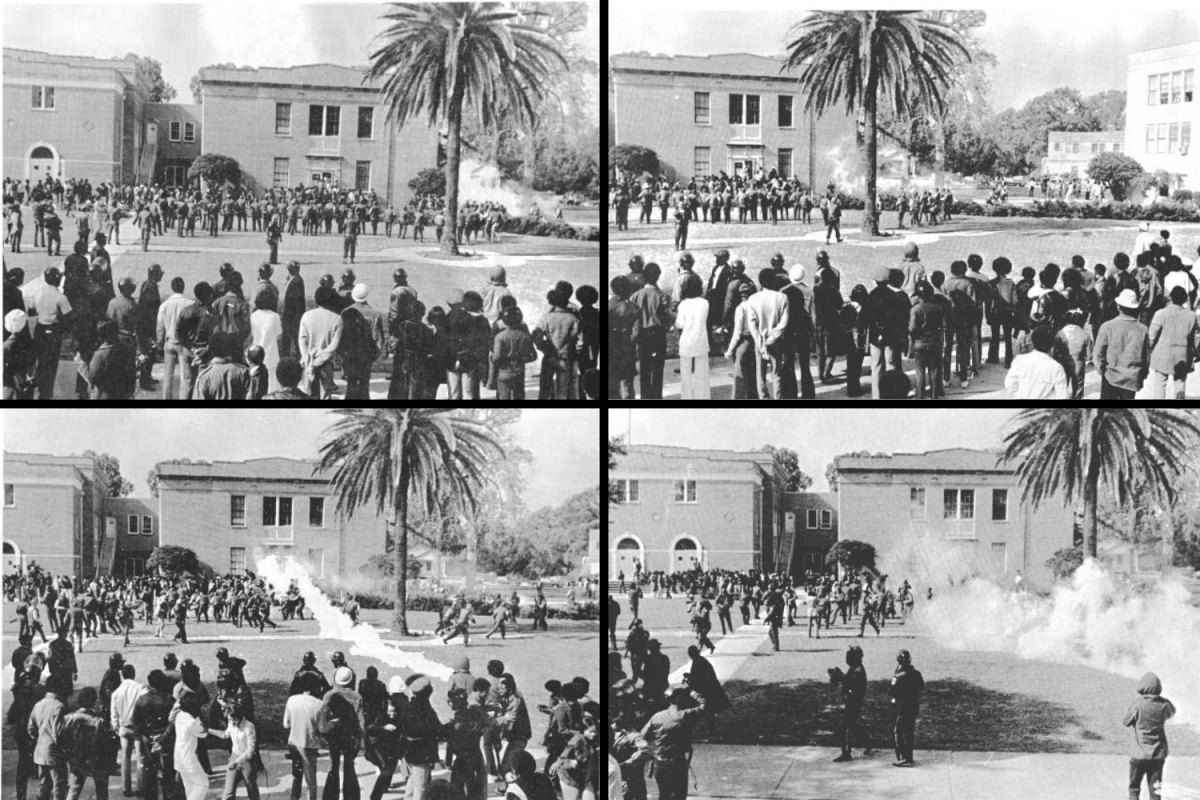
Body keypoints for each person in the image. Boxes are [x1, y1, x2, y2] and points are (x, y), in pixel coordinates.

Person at [641, 685, 707, 800]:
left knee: (664, 796)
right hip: (678, 764)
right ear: (679, 699)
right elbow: (704, 705)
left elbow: (642, 737)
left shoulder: (656, 716)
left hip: (660, 763)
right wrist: (691, 691)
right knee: (679, 796)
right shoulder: (684, 715)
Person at [1123, 672, 1176, 800]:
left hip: (1139, 754)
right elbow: (1172, 712)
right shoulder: (1163, 705)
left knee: (1134, 789)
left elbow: (1126, 721)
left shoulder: (1138, 704)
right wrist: (1163, 699)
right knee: (1155, 791)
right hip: (1158, 755)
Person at [319, 666, 365, 800]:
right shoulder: (356, 696)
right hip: (350, 737)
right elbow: (361, 722)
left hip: (334, 736)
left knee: (333, 767)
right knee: (349, 767)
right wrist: (362, 741)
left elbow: (323, 718)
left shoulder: (329, 695)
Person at [1094, 289, 1149, 400]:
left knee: (1106, 415)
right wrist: (1142, 376)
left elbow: (1098, 353)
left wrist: (1101, 370)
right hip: (1132, 379)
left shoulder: (1107, 326)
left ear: (1118, 306)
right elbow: (1146, 357)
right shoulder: (1143, 329)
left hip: (1111, 377)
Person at [1147, 286, 1197, 400]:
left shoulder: (1160, 313)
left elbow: (1151, 337)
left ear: (1171, 298)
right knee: (1180, 384)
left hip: (1162, 355)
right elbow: (1196, 338)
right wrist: (1197, 353)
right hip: (1183, 355)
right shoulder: (1192, 316)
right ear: (1185, 299)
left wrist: (1147, 351)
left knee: (1160, 384)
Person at [29, 674, 70, 800]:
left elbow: (31, 729)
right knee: (59, 784)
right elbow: (58, 734)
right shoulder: (59, 706)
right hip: (55, 753)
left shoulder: (38, 705)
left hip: (40, 751)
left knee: (43, 784)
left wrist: (39, 738)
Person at [284, 673, 325, 800]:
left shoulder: (291, 700)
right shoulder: (319, 704)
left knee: (297, 775)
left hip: (293, 743)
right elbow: (322, 728)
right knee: (311, 780)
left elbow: (286, 724)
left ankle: (294, 798)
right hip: (310, 745)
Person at [402, 675, 442, 800]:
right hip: (421, 752)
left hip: (410, 751)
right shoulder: (426, 709)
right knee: (421, 787)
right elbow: (436, 729)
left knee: (413, 780)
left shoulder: (410, 706)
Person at [299, 288, 344, 400]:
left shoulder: (306, 316)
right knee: (325, 395)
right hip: (326, 363)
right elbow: (334, 345)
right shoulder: (337, 319)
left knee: (308, 393)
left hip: (308, 362)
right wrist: (318, 361)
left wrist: (308, 360)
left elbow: (302, 340)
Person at [1004, 326, 1069, 399]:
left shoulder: (1019, 360)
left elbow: (1010, 385)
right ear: (1052, 346)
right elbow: (1062, 397)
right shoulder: (1057, 367)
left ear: (1033, 342)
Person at [830, 645, 871, 762]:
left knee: (846, 727)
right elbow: (848, 680)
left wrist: (840, 677)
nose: (847, 659)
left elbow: (850, 683)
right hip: (851, 702)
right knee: (852, 725)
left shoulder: (858, 671)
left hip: (854, 703)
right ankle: (867, 742)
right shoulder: (854, 667)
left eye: (849, 657)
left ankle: (846, 753)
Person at [673, 273, 710, 399]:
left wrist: (675, 319)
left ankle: (686, 397)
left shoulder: (683, 304)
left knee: (686, 374)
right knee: (702, 373)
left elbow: (680, 324)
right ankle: (703, 397)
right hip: (701, 340)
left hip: (687, 341)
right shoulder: (705, 303)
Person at [908, 281, 944, 399]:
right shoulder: (938, 308)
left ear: (919, 295)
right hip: (934, 343)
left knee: (920, 372)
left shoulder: (915, 309)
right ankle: (935, 396)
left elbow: (912, 329)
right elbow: (942, 326)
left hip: (920, 343)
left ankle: (920, 397)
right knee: (934, 370)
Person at [888, 650, 925, 767]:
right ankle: (909, 757)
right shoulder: (916, 674)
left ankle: (903, 758)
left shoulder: (897, 677)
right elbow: (921, 687)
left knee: (898, 732)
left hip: (902, 708)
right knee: (909, 732)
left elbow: (891, 692)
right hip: (913, 706)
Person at [1056, 309, 1093, 400]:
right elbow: (1089, 356)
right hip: (1078, 364)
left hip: (1063, 363)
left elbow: (1055, 351)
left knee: (1063, 387)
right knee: (1078, 389)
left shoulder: (1060, 333)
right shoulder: (1085, 334)